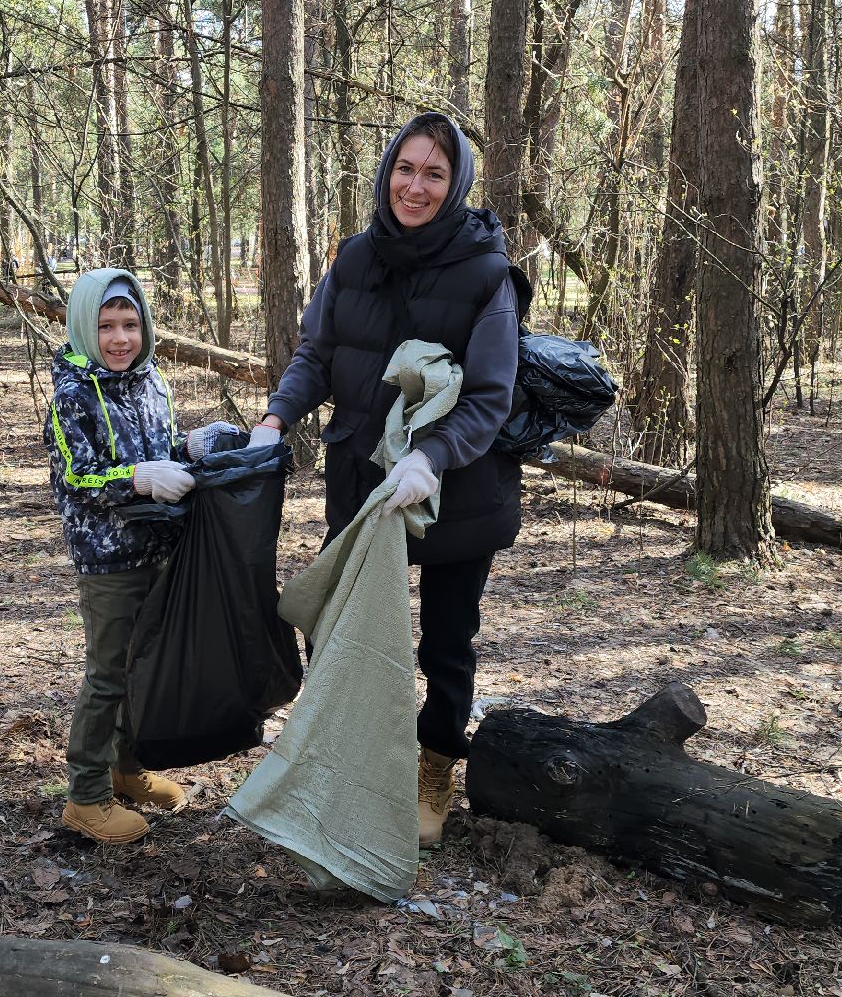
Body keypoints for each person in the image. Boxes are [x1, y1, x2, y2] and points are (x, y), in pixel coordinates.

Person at [249, 112, 527, 848]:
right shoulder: (353, 259)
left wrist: (429, 457)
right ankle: (344, 762)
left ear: (457, 182)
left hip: (456, 488)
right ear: (387, 172)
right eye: (406, 168)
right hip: (360, 475)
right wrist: (277, 418)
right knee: (340, 629)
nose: (416, 185)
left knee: (446, 640)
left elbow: (492, 396)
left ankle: (433, 765)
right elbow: (317, 352)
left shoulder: (488, 273)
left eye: (435, 173)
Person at [44, 266, 236, 845]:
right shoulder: (73, 395)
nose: (120, 338)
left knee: (143, 668)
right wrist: (139, 479)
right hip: (108, 560)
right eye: (106, 326)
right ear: (84, 328)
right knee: (108, 675)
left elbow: (161, 451)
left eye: (130, 323)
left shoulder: (153, 384)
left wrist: (189, 448)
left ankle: (126, 770)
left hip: (159, 550)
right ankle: (85, 796)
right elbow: (76, 476)